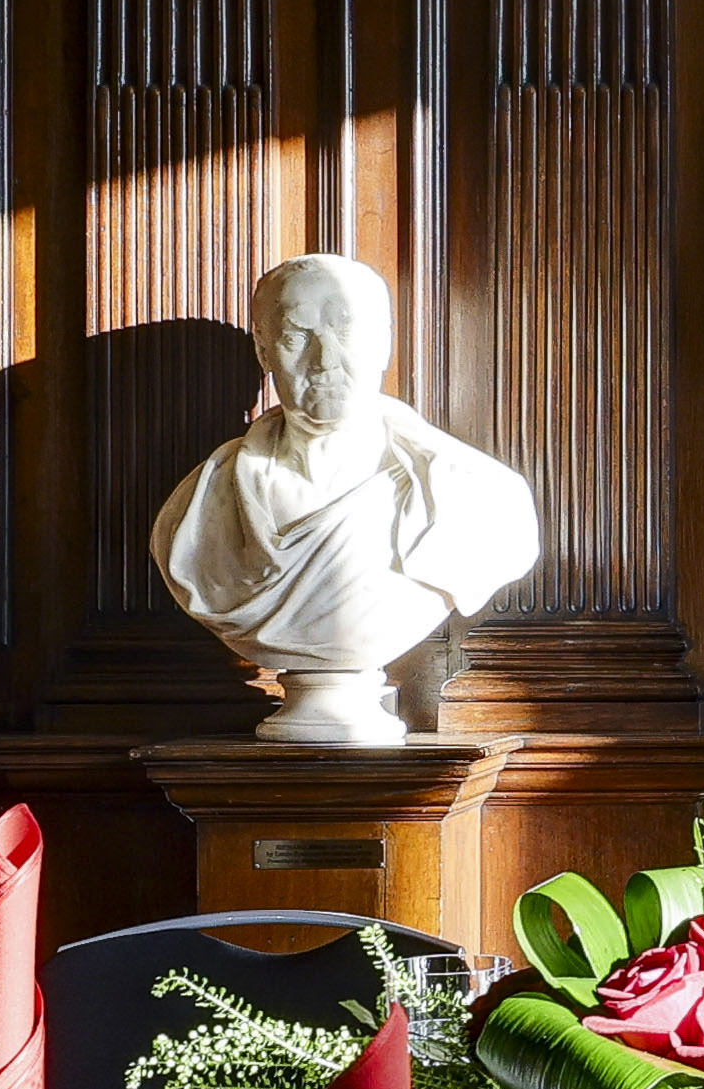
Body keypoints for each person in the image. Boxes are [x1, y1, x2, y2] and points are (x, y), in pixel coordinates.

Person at [153, 253, 545, 746]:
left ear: (385, 343)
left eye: (349, 334)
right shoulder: (198, 508)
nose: (325, 362)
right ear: (264, 350)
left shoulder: (481, 499)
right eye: (297, 338)